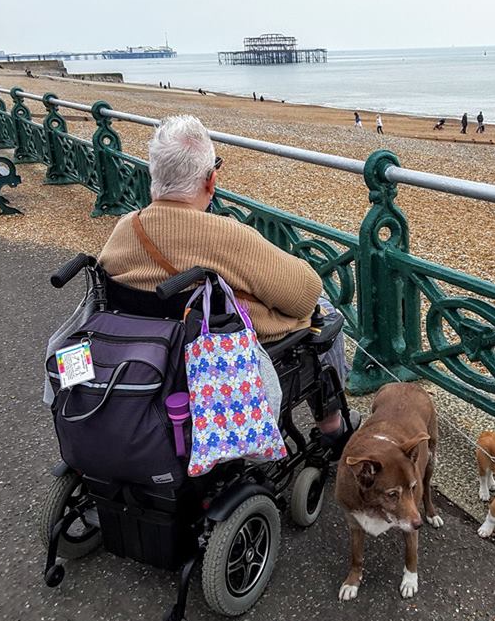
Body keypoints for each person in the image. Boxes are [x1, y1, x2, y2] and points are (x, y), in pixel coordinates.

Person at [97, 115, 355, 446]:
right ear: (210, 181)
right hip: (217, 364)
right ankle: (332, 427)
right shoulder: (226, 236)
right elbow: (303, 295)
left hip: (147, 355)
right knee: (325, 312)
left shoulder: (125, 229)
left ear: (154, 175)